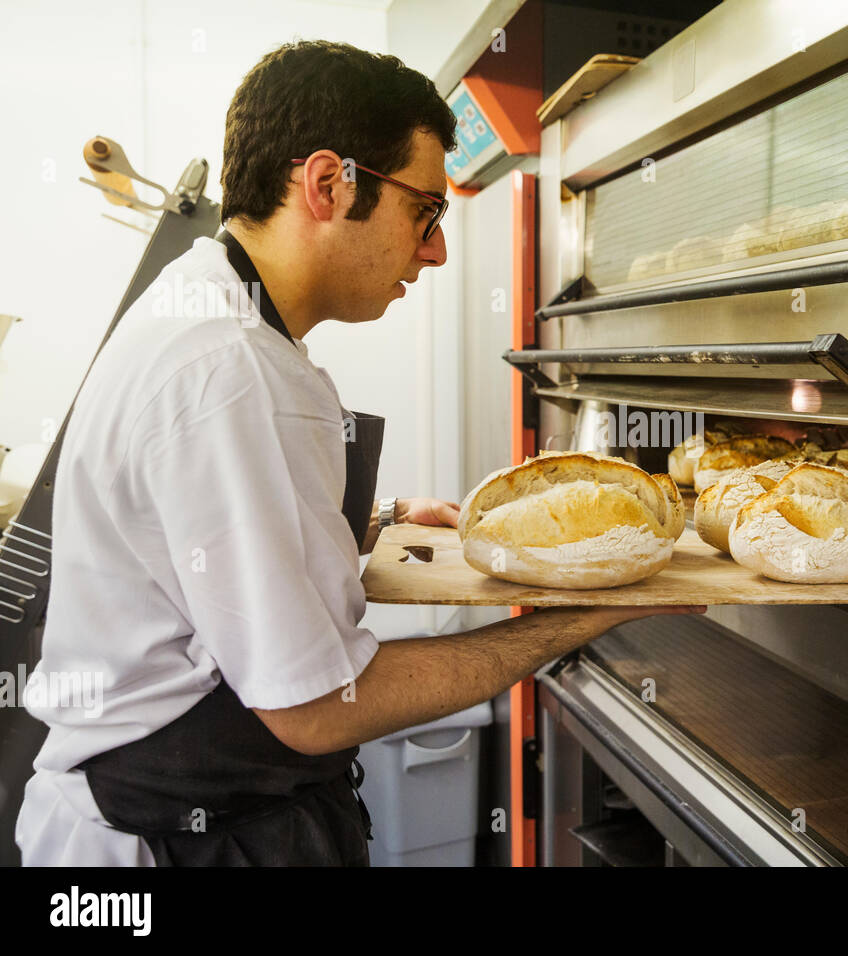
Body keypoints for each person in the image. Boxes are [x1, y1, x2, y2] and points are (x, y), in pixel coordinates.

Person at [15, 40, 703, 866]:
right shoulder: (229, 370)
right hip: (173, 838)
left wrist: (377, 519)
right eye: (425, 210)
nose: (437, 250)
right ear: (328, 185)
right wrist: (572, 623)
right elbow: (316, 708)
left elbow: (197, 552)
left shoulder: (217, 312)